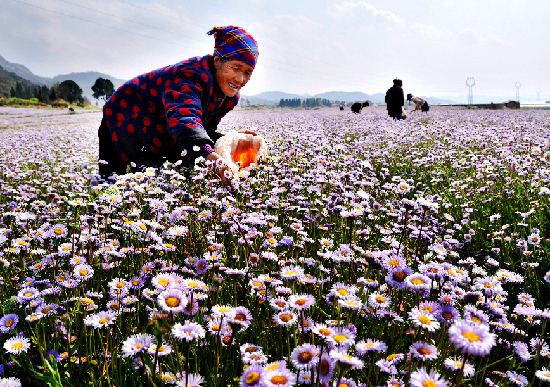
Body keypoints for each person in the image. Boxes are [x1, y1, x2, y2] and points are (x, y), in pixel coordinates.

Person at [98, 26, 259, 184]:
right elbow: (183, 120)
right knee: (111, 184)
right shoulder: (191, 76)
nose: (240, 79)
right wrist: (212, 158)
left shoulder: (229, 97)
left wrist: (229, 139)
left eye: (247, 72)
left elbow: (202, 129)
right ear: (217, 61)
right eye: (235, 68)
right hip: (123, 118)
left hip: (159, 129)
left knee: (150, 184)